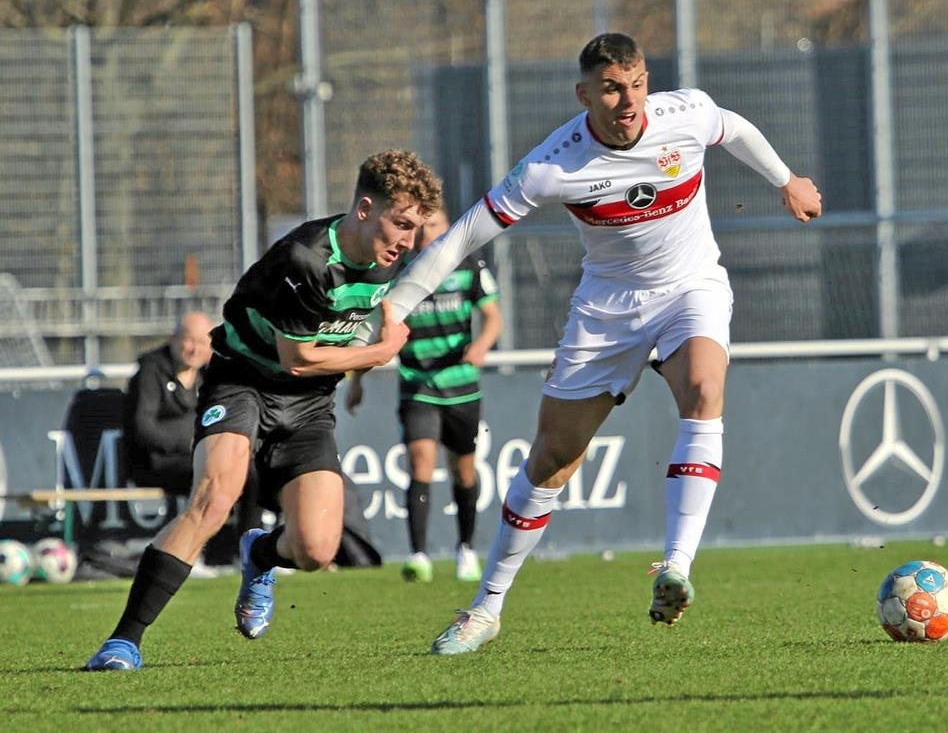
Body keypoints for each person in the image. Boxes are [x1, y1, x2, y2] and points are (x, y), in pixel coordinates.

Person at [382, 33, 822, 654]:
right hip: (607, 310)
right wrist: (396, 307)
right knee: (553, 460)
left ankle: (676, 567)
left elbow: (734, 127)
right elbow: (460, 237)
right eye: (613, 88)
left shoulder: (684, 113)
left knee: (704, 387)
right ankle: (486, 608)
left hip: (689, 287)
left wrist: (786, 178)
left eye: (637, 82)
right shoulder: (552, 165)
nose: (629, 100)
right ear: (584, 93)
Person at [84, 149, 442, 670]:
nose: (409, 240)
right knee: (213, 499)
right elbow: (297, 359)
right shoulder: (309, 258)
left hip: (309, 404)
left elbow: (335, 348)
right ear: (366, 209)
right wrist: (379, 353)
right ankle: (123, 641)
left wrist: (364, 362)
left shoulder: (394, 260)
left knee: (317, 550)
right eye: (401, 223)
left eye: (417, 228)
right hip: (243, 380)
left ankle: (259, 554)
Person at [345, 208, 502, 584]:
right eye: (421, 227)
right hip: (418, 383)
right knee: (419, 463)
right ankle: (419, 554)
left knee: (463, 470)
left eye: (434, 226)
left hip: (462, 384)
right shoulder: (402, 271)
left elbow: (493, 316)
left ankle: (465, 549)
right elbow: (380, 327)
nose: (427, 233)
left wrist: (481, 344)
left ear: (449, 230)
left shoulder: (469, 264)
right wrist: (356, 380)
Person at [123, 310, 240, 577]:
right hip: (154, 464)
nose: (194, 349)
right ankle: (187, 555)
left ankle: (241, 554)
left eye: (203, 342)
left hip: (195, 457)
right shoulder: (151, 370)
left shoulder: (212, 374)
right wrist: (188, 441)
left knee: (242, 471)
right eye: (189, 340)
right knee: (206, 474)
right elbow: (143, 429)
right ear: (174, 339)